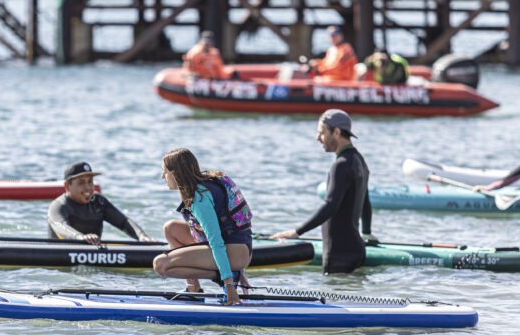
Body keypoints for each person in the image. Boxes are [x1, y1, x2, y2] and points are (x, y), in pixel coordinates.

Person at [270, 109, 372, 274]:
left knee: (336, 297)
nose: (318, 138)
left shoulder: (341, 165)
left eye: (322, 133)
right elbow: (366, 202)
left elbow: (330, 205)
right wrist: (367, 233)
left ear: (337, 132)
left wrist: (297, 232)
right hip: (355, 248)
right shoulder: (359, 160)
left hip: (339, 254)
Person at [153, 148, 253, 305]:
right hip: (238, 247)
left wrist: (229, 285)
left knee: (161, 265)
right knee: (171, 228)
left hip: (234, 251)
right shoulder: (206, 182)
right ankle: (194, 290)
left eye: (164, 172)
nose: (162, 177)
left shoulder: (200, 198)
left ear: (176, 173)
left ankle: (225, 276)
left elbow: (216, 242)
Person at [47, 161, 152, 244]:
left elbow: (123, 222)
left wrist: (142, 236)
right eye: (81, 182)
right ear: (67, 186)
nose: (88, 187)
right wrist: (81, 237)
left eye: (90, 181)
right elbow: (61, 227)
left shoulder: (98, 201)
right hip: (61, 265)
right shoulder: (58, 206)